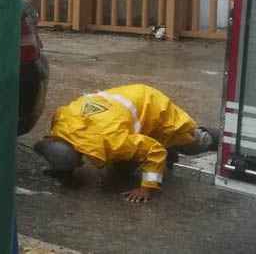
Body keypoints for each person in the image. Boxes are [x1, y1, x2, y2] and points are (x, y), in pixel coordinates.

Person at [34, 84, 216, 203]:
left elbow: (154, 149)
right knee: (121, 170)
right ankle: (168, 152)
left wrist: (146, 188)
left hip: (155, 109)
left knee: (193, 142)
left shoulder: (113, 142)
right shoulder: (62, 120)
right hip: (125, 104)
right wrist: (63, 167)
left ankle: (219, 137)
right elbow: (64, 143)